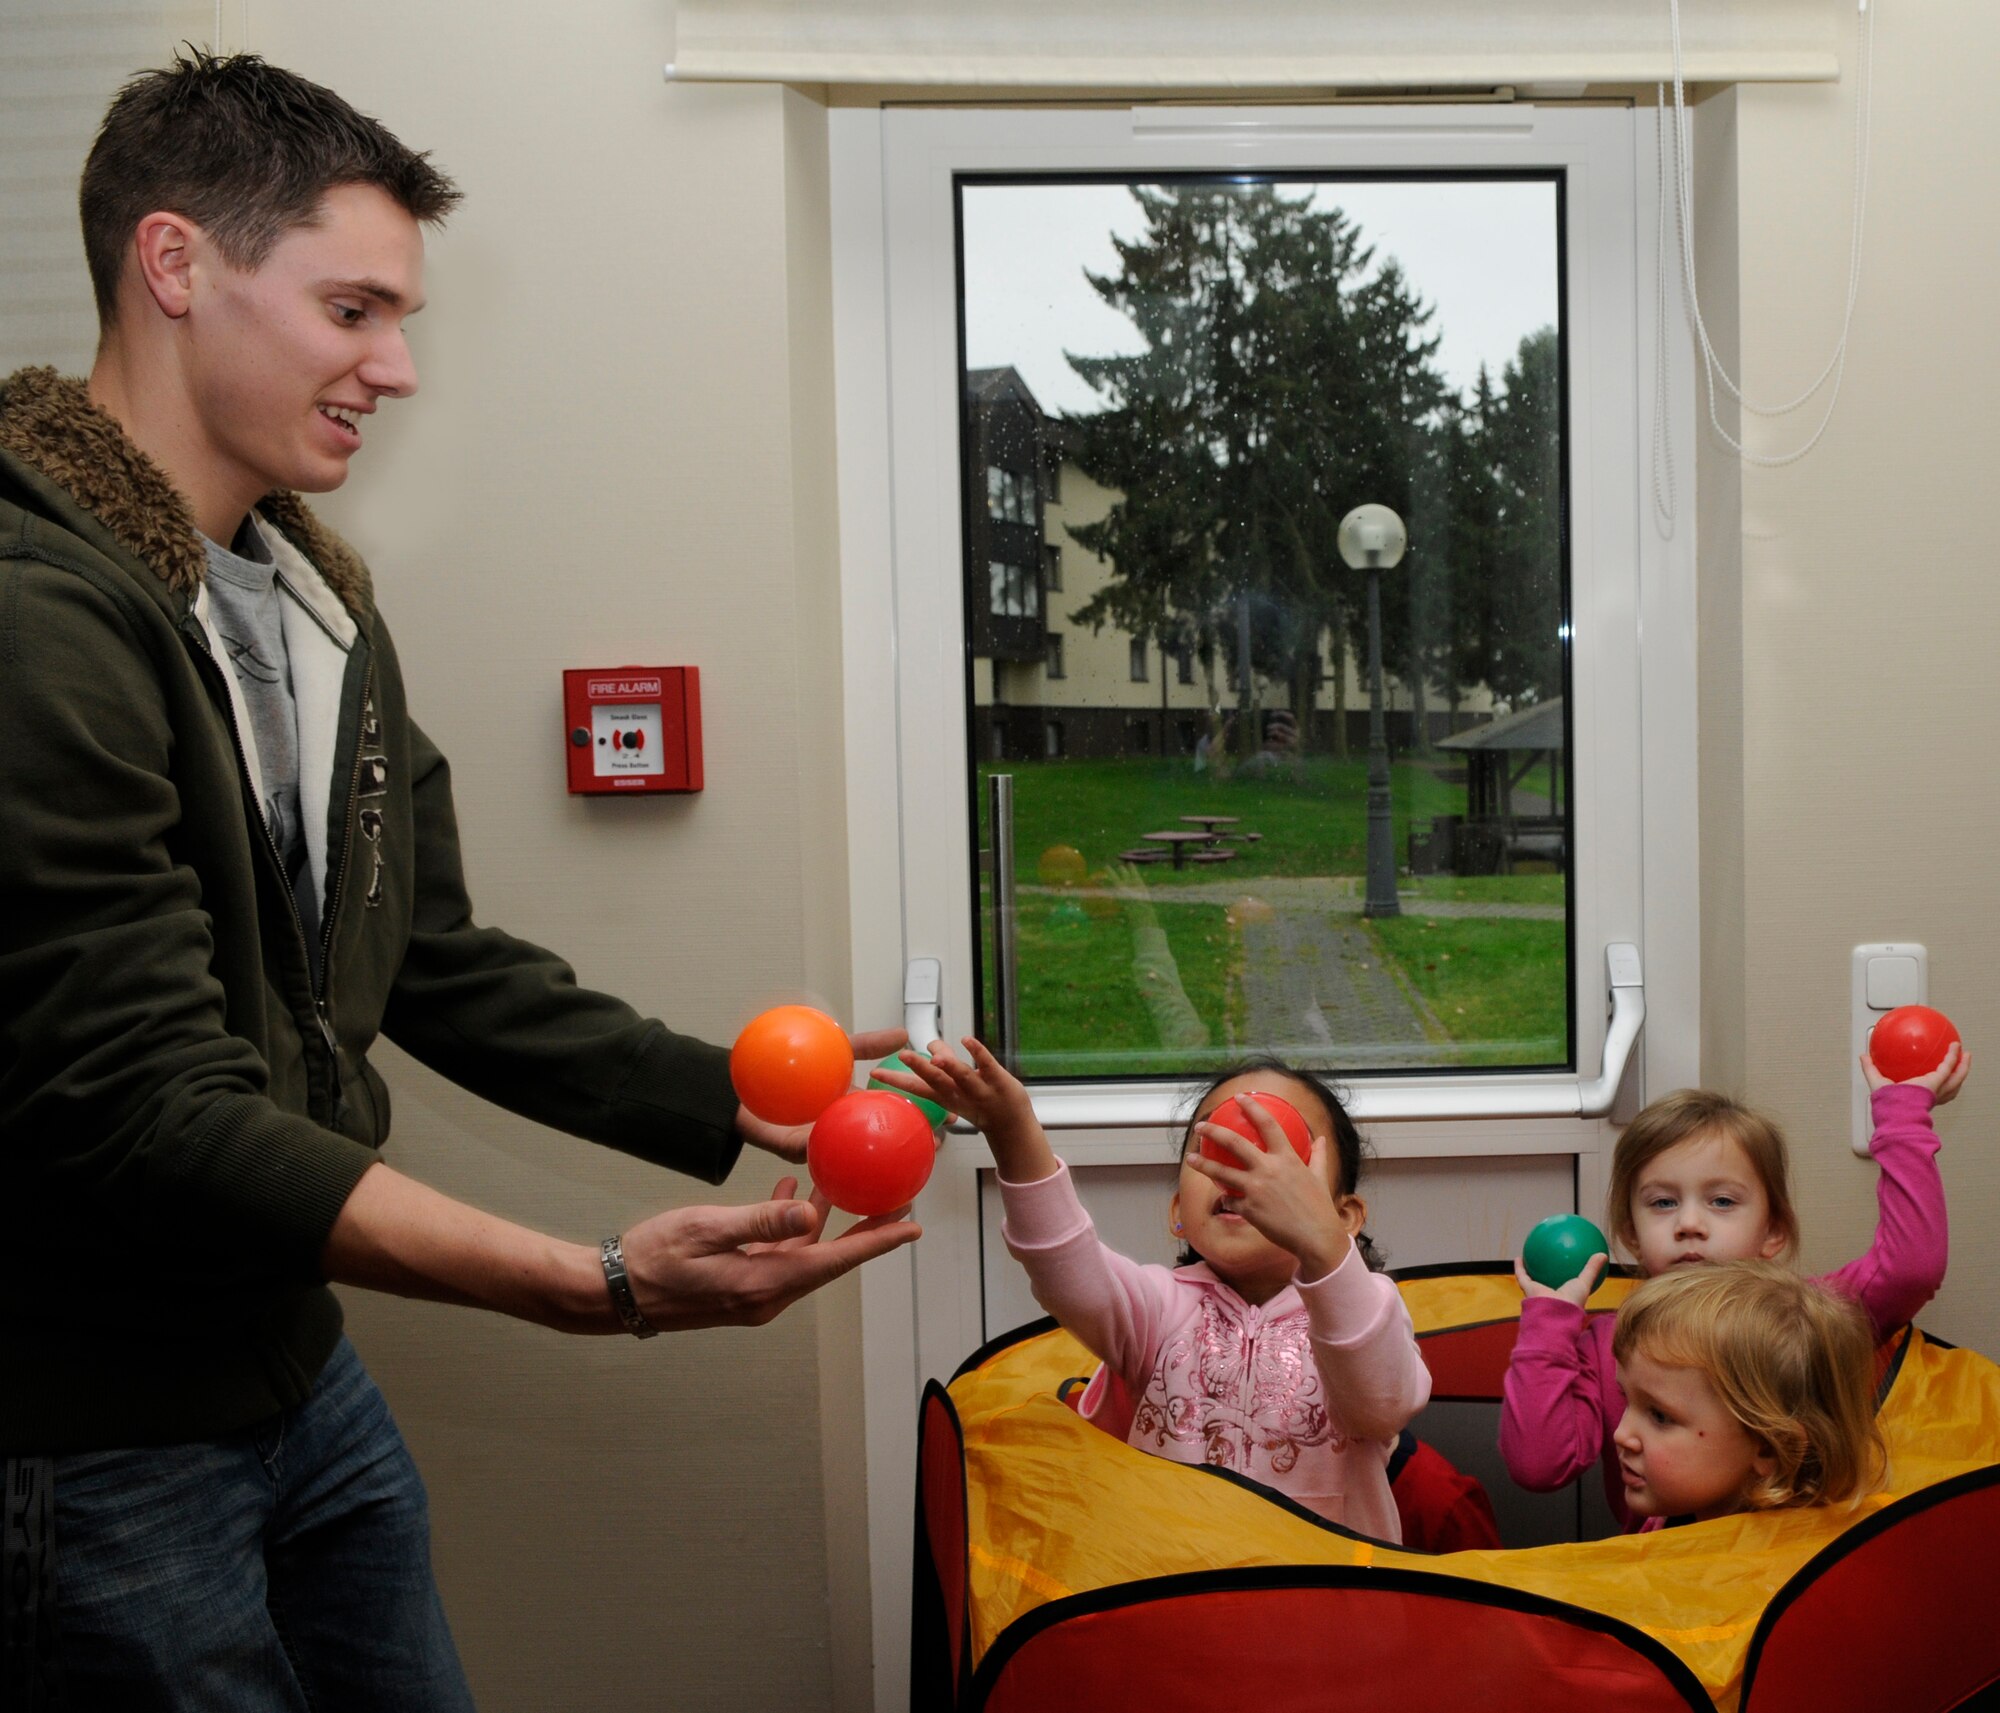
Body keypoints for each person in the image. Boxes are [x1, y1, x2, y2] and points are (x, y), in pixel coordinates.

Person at [0, 51, 918, 1706]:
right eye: (353, 309)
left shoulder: (311, 595)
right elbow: (151, 1112)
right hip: (98, 1434)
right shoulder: (35, 622)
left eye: (399, 316)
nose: (396, 367)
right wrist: (593, 1285)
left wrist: (731, 1096)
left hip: (299, 1379)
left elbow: (424, 951)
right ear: (174, 263)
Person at [880, 1043, 1431, 1539]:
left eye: (1279, 1148)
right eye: (1216, 1145)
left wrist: (1325, 1249)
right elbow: (1063, 1265)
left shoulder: (1369, 1312)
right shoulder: (1158, 1310)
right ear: (1178, 1215)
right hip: (1166, 1610)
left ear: (1345, 1217)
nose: (1242, 1167)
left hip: (1322, 1617)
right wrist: (1012, 1132)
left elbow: (1382, 1406)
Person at [1500, 1041, 1964, 1531]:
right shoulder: (1609, 1344)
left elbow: (1912, 1268)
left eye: (1721, 1201)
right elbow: (1538, 1466)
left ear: (1774, 1231)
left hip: (1787, 1572)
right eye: (1662, 1203)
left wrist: (1903, 1116)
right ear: (1631, 1234)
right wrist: (1549, 1326)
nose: (1690, 1223)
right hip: (1671, 1578)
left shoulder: (1802, 1320)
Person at [1610, 1262, 1884, 1528]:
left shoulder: (1776, 1569)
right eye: (1626, 1398)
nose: (1621, 1435)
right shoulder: (1679, 1517)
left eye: (1660, 1416)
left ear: (1770, 1447)